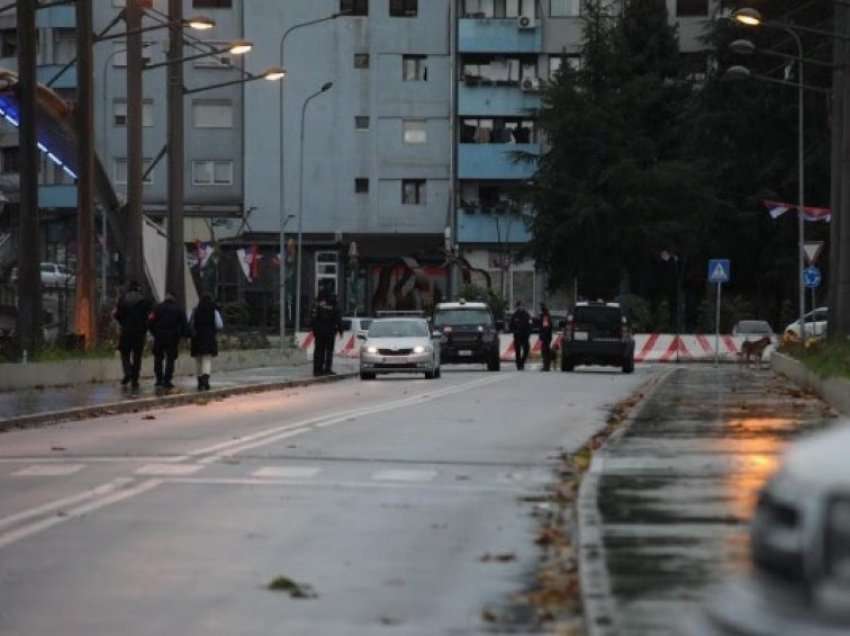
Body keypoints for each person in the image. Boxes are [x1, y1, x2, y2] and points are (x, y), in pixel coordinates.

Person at [113, 280, 152, 391]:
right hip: (140, 333)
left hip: (126, 331)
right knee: (137, 356)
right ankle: (135, 380)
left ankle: (128, 371)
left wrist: (123, 323)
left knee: (124, 353)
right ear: (138, 288)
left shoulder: (123, 300)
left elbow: (117, 315)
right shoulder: (145, 301)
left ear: (129, 288)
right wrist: (145, 326)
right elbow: (150, 316)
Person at [148, 292, 188, 390]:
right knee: (170, 359)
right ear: (174, 299)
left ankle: (158, 379)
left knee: (158, 358)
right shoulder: (179, 309)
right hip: (172, 338)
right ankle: (167, 380)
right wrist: (183, 336)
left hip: (159, 337)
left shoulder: (157, 308)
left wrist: (155, 333)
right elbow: (184, 324)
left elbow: (150, 321)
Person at [189, 294, 223, 391]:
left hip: (197, 338)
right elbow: (220, 325)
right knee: (207, 359)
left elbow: (190, 323)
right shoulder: (214, 311)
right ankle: (206, 381)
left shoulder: (195, 310)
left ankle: (199, 381)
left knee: (198, 360)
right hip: (209, 337)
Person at [310, 289, 343, 377]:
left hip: (319, 331)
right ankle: (327, 369)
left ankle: (317, 370)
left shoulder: (317, 304)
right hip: (330, 331)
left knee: (318, 350)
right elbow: (338, 318)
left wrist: (313, 329)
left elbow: (312, 317)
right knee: (329, 351)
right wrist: (340, 330)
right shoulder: (333, 303)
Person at [509, 300, 531, 370]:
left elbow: (530, 324)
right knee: (517, 352)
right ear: (517, 307)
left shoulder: (527, 315)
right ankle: (519, 365)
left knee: (526, 350)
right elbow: (511, 326)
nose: (521, 307)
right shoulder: (514, 315)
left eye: (522, 306)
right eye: (519, 306)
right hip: (517, 336)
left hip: (525, 336)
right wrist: (514, 331)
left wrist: (528, 332)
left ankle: (522, 362)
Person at [539, 303, 553, 372]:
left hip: (546, 337)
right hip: (547, 336)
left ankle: (546, 366)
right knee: (546, 351)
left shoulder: (545, 316)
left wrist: (543, 336)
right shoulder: (547, 315)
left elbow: (545, 327)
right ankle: (546, 366)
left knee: (545, 351)